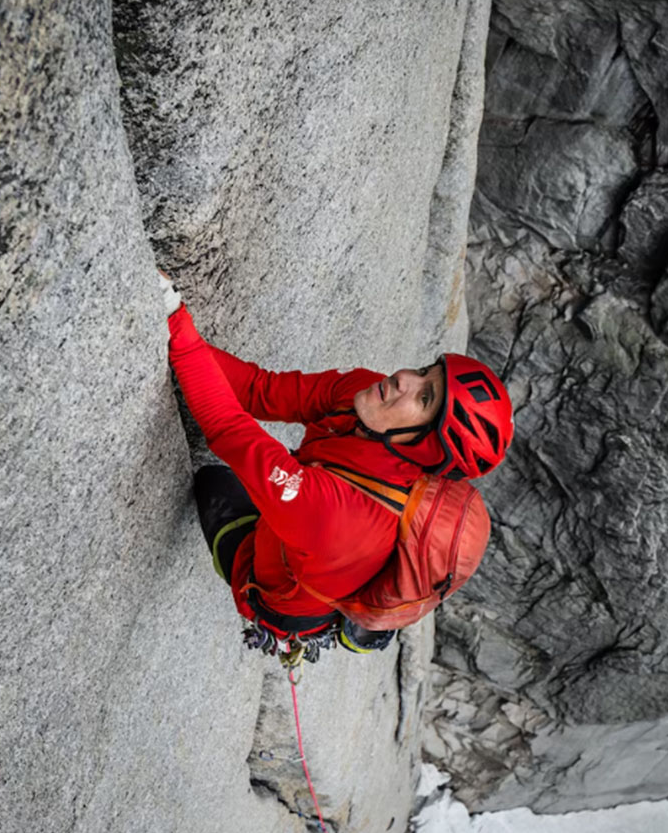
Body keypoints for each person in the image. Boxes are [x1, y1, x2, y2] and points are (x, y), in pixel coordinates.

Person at [162, 272, 513, 660]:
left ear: (427, 449)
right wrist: (170, 325)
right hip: (314, 534)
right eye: (424, 371)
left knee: (213, 482)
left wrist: (175, 321)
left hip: (284, 592)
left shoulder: (339, 515)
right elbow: (259, 389)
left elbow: (229, 428)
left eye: (424, 397)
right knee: (259, 487)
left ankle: (289, 616)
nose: (403, 379)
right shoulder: (365, 396)